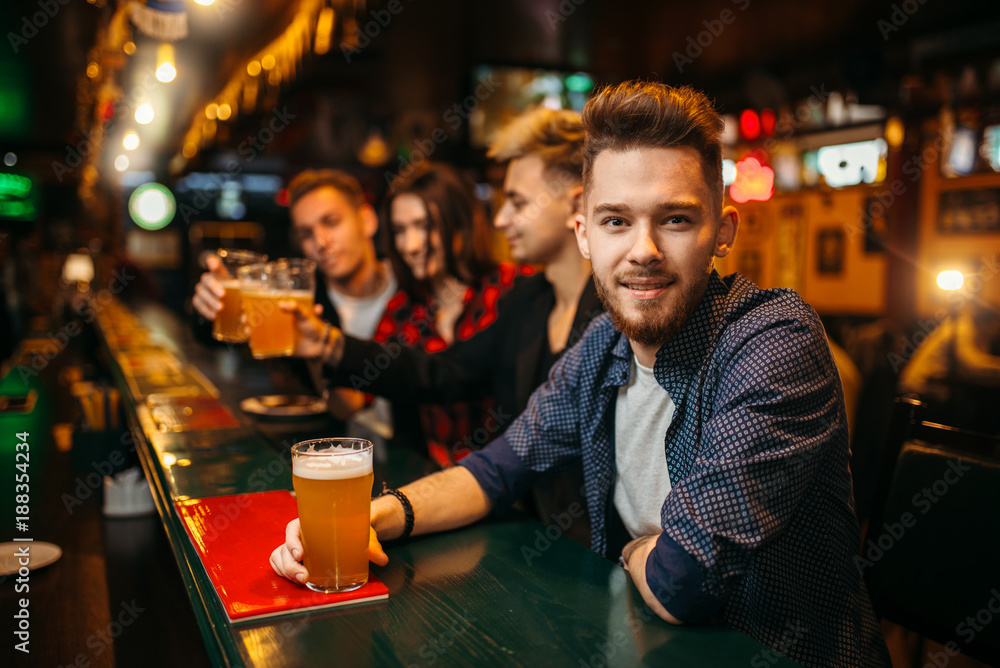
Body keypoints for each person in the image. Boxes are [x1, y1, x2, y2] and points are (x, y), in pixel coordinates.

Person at [273, 81, 889, 666]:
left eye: (675, 219)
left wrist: (634, 552)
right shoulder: (602, 347)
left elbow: (684, 581)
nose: (643, 249)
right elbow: (495, 469)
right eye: (616, 220)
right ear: (585, 234)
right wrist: (369, 519)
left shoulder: (772, 340)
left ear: (722, 231)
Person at [282, 108, 602, 545]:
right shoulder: (531, 301)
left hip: (584, 545)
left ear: (575, 205)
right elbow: (442, 375)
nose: (502, 219)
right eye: (401, 230)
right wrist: (326, 343)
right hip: (510, 520)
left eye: (517, 202)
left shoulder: (606, 310)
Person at [192, 169, 398, 424]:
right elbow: (225, 337)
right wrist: (207, 308)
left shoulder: (411, 288)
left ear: (366, 220)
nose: (320, 242)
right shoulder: (298, 302)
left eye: (331, 222)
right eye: (306, 233)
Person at [375, 161, 528, 466]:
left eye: (424, 226)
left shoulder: (512, 287)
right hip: (439, 484)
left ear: (459, 223)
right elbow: (353, 396)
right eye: (399, 230)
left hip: (515, 481)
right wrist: (313, 347)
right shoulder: (403, 308)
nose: (410, 245)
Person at [898, 301, 1000, 429]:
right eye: (996, 324)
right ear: (985, 322)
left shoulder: (976, 332)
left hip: (936, 383)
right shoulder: (962, 328)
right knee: (970, 408)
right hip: (921, 385)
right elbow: (970, 365)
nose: (997, 330)